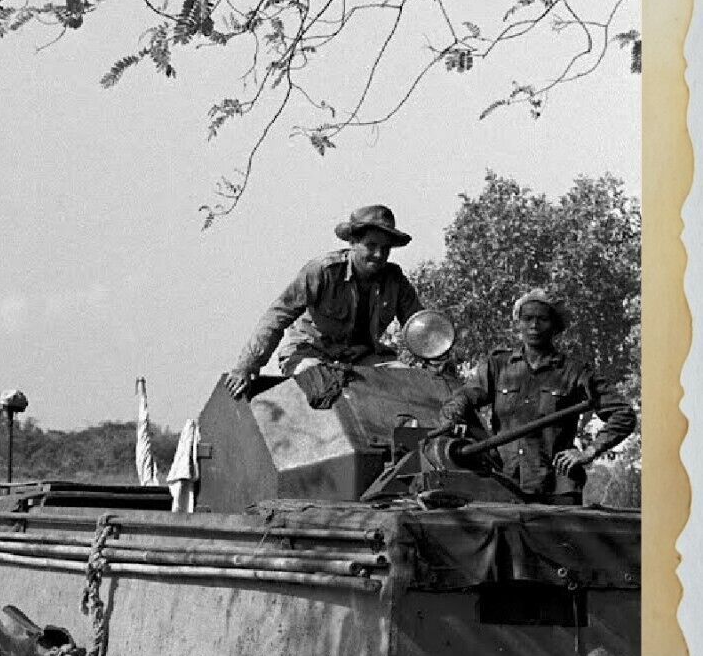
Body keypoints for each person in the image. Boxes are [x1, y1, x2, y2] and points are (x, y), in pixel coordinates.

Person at [435, 288, 636, 505]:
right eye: (527, 319)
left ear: (555, 326)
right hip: (505, 485)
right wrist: (453, 418)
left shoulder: (574, 371)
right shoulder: (498, 366)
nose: (534, 326)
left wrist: (589, 451)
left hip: (557, 488)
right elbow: (464, 396)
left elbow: (623, 414)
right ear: (518, 323)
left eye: (542, 319)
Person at [224, 205, 423, 408]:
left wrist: (440, 361)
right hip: (311, 353)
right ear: (353, 242)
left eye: (385, 248)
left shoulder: (395, 281)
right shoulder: (323, 271)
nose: (379, 254)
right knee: (322, 384)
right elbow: (277, 315)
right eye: (371, 246)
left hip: (361, 358)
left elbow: (422, 328)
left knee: (405, 379)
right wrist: (247, 366)